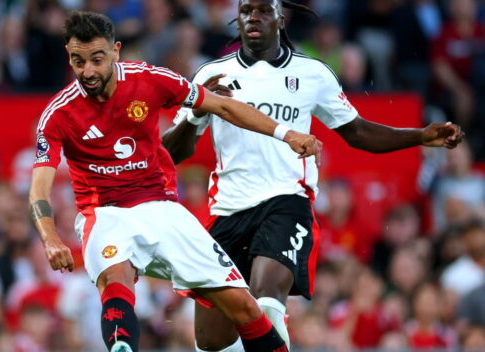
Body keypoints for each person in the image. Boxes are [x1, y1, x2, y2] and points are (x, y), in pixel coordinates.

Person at [161, 1, 465, 351]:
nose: (253, 17)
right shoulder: (210, 75)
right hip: (228, 211)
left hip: (286, 204)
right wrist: (200, 109)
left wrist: (419, 135)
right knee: (211, 341)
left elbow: (358, 133)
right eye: (246, 10)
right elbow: (172, 152)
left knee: (266, 301)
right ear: (237, 19)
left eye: (263, 9)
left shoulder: (311, 74)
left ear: (281, 17)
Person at [29, 11, 322, 352]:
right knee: (115, 277)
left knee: (243, 307)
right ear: (69, 55)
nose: (88, 72)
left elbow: (223, 107)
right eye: (78, 61)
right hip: (105, 213)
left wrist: (285, 134)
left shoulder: (149, 79)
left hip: (163, 209)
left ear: (116, 51)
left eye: (97, 59)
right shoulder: (58, 114)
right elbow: (38, 189)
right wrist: (50, 238)